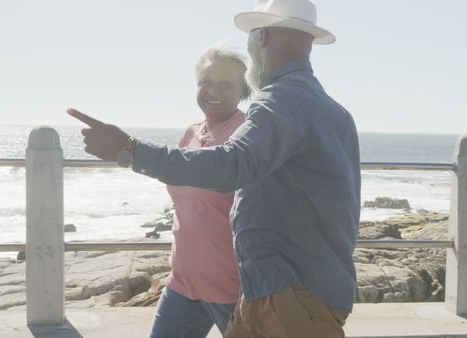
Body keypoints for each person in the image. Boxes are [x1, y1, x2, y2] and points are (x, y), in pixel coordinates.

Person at [68, 0, 360, 337]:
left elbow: (232, 165)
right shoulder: (334, 112)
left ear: (260, 37)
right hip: (298, 287)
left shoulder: (281, 99)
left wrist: (130, 150)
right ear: (308, 43)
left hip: (288, 292)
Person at [148, 45, 251, 338]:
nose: (212, 90)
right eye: (205, 81)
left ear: (243, 89)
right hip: (182, 282)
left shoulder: (248, 135)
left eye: (225, 83)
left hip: (232, 289)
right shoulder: (191, 133)